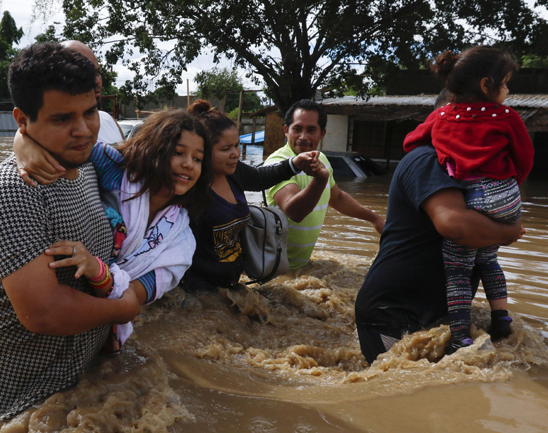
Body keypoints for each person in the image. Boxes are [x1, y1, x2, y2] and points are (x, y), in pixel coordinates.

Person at [0, 42, 140, 426]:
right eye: (62, 119)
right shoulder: (12, 191)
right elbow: (43, 313)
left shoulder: (90, 165)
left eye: (89, 112)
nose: (84, 130)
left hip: (80, 382)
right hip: (13, 398)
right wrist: (123, 308)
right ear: (22, 120)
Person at [14, 105, 214, 348]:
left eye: (197, 159)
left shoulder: (180, 242)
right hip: (53, 291)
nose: (189, 164)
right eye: (178, 153)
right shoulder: (116, 169)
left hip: (98, 316)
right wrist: (21, 144)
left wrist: (98, 271)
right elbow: (60, 146)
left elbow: (131, 298)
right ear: (154, 149)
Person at [403, 46, 533, 352]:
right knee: (488, 259)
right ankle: (501, 319)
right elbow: (526, 158)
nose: (507, 91)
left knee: (459, 270)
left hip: (473, 200)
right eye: (505, 84)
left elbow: (411, 142)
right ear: (487, 85)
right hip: (507, 196)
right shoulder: (507, 116)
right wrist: (509, 188)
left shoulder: (442, 115)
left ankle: (460, 334)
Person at [354, 145, 525, 364]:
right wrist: (510, 231)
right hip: (393, 311)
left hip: (437, 310)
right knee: (391, 382)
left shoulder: (473, 167)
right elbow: (455, 225)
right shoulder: (427, 161)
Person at [180, 99, 321, 291]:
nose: (235, 153)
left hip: (231, 285)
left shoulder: (234, 172)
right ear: (201, 151)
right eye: (226, 149)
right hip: (199, 290)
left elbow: (260, 178)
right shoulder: (189, 189)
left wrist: (293, 165)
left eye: (237, 145)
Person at [264, 100, 384, 269]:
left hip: (300, 267)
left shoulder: (321, 159)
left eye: (311, 130)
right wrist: (319, 180)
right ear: (286, 130)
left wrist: (374, 218)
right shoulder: (278, 164)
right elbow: (294, 212)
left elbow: (337, 198)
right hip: (273, 270)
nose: (303, 137)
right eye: (297, 129)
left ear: (322, 133)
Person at [64, 40, 125, 144]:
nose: (97, 81)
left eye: (97, 72)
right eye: (85, 74)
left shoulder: (108, 120)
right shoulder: (54, 134)